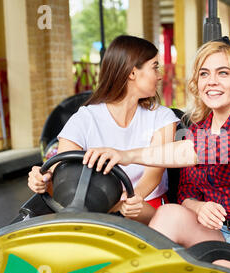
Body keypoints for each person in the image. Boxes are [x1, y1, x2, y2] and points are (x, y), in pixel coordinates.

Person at [82, 37, 230, 273]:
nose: (211, 82)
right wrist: (199, 207)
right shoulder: (197, 130)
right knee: (168, 212)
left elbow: (201, 152)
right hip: (214, 232)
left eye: (223, 73)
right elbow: (186, 195)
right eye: (204, 74)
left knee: (222, 271)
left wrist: (126, 155)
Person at [27, 35, 180, 224]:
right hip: (93, 208)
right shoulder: (85, 118)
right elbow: (63, 167)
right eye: (155, 67)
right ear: (132, 73)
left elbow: (153, 175)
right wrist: (44, 177)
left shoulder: (163, 117)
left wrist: (131, 198)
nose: (159, 75)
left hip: (145, 205)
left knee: (101, 211)